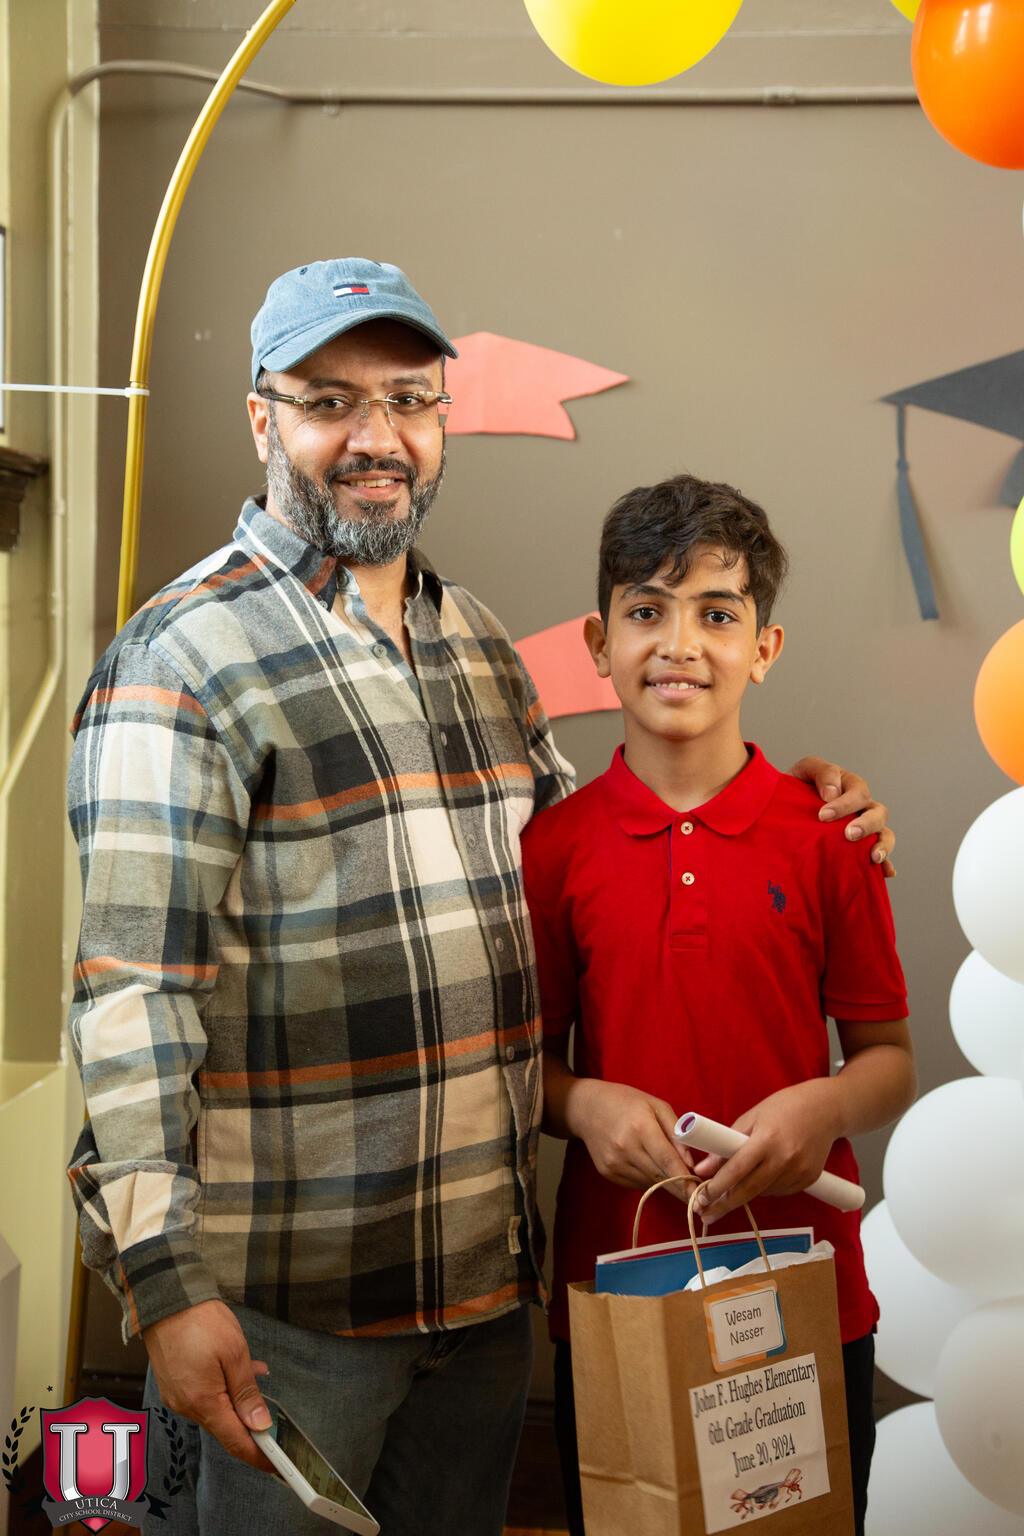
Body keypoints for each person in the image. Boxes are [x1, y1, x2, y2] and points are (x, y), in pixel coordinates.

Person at [65, 261, 895, 1536]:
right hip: (296, 1319)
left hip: (482, 1303)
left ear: (442, 419)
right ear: (261, 417)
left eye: (408, 398)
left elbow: (594, 856)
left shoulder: (477, 651)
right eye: (330, 401)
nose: (377, 436)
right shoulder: (184, 660)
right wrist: (165, 1288)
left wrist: (809, 798)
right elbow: (130, 1001)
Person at [521, 474, 915, 1536]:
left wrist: (822, 1108)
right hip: (618, 1293)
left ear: (764, 648)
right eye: (647, 610)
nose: (679, 645)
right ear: (599, 642)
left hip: (803, 1288)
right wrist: (584, 1104)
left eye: (717, 614)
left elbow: (887, 1059)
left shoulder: (831, 839)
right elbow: (527, 1072)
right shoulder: (552, 850)